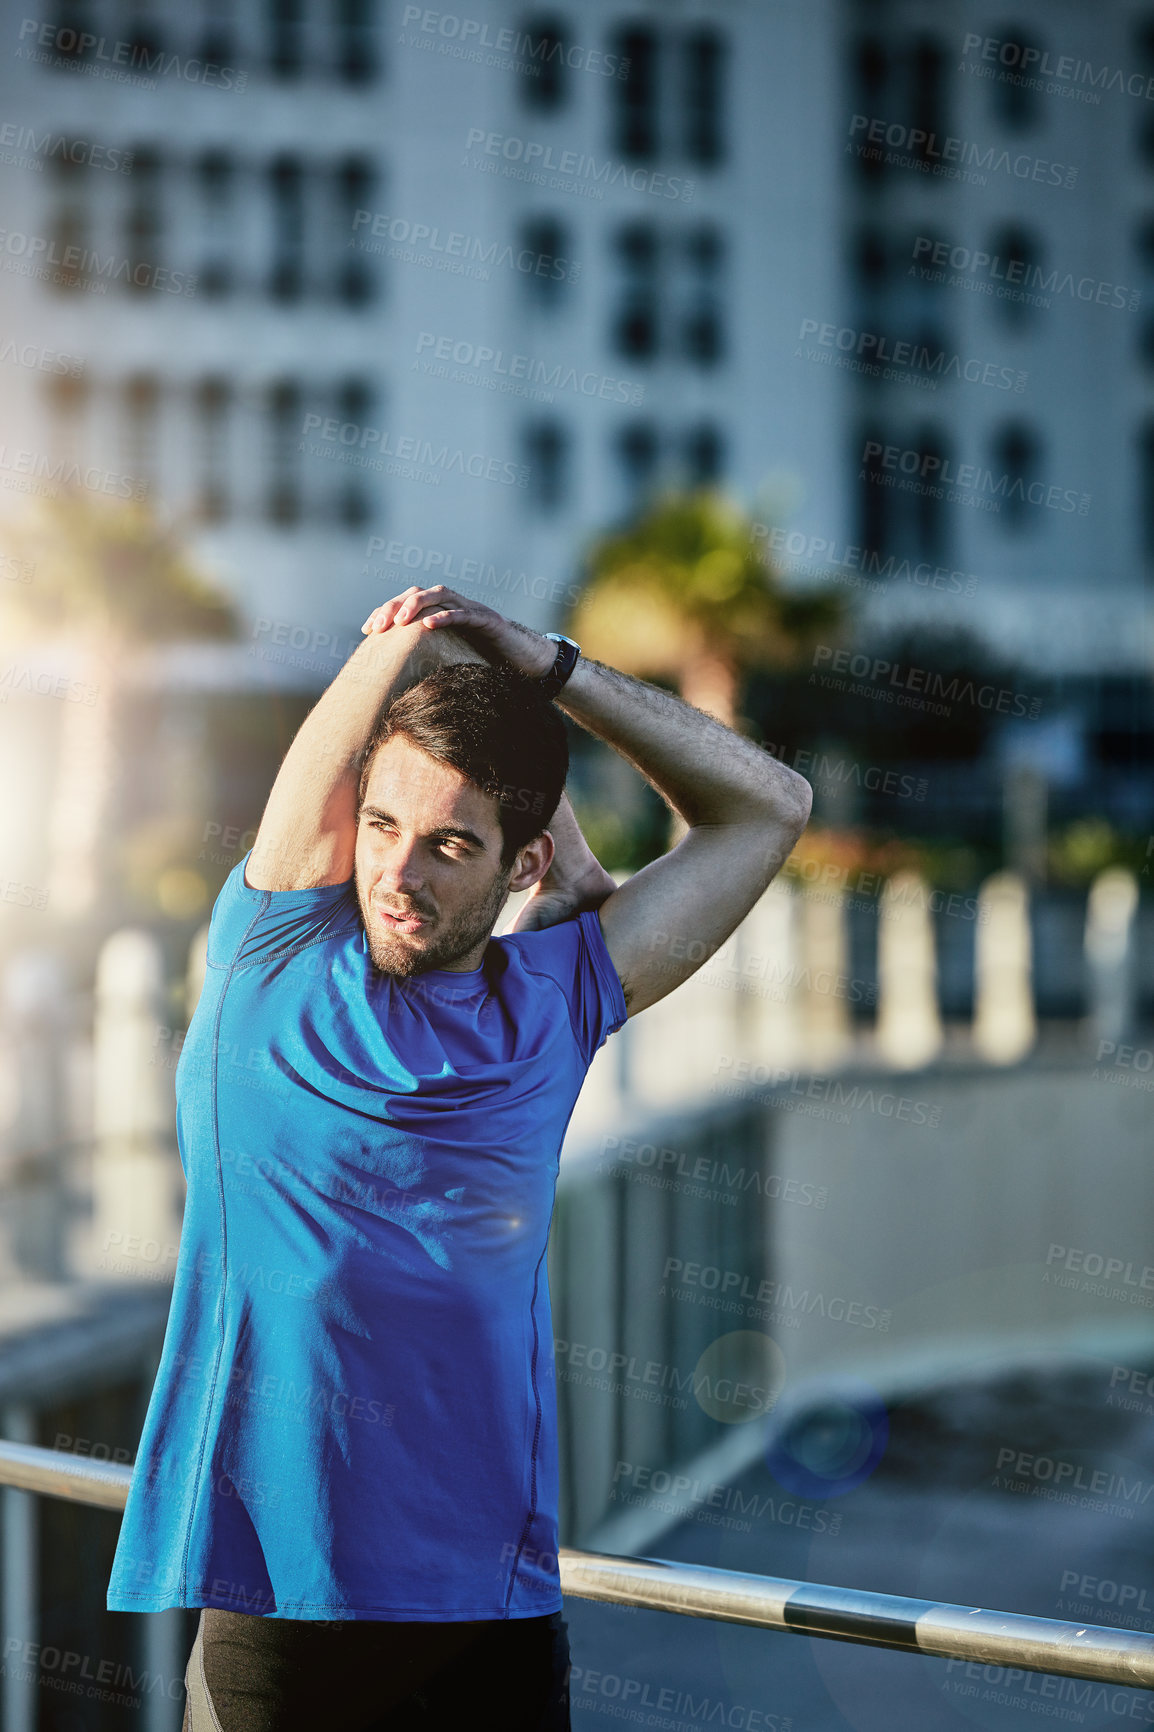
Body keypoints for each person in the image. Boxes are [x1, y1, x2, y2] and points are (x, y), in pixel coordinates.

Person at [105, 584, 813, 1730]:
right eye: (382, 826)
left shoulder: (560, 998)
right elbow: (358, 712)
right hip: (281, 1616)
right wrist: (421, 636)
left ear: (519, 862)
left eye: (448, 845)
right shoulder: (269, 952)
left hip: (491, 1618)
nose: (397, 871)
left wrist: (552, 668)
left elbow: (769, 806)